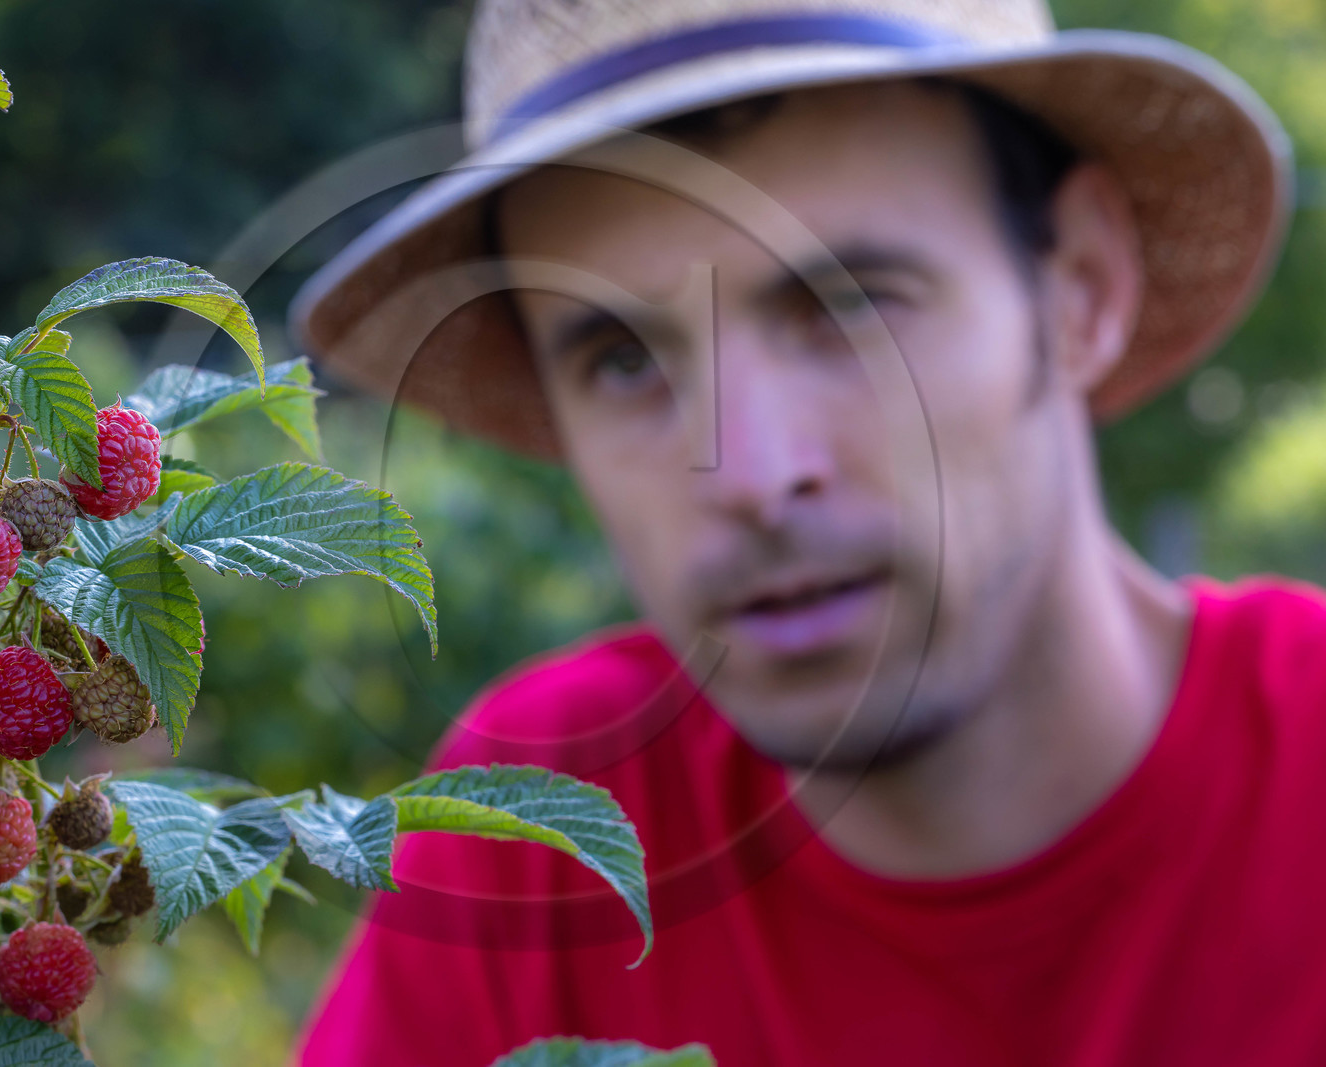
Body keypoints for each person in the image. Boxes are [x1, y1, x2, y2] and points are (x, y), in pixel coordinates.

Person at [287, 0, 1320, 1064]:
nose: (751, 474)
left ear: (1080, 291)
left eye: (852, 305)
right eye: (625, 360)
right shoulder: (543, 836)